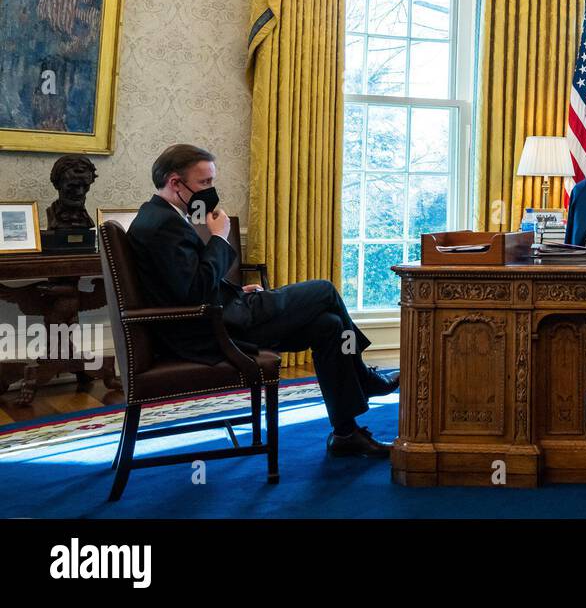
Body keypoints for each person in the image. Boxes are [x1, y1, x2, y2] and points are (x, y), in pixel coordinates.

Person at [127, 144, 398, 459]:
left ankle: (345, 433)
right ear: (176, 183)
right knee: (324, 290)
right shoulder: (162, 226)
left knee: (329, 325)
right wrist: (219, 237)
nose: (211, 192)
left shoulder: (159, 217)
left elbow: (184, 284)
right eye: (205, 184)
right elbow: (195, 292)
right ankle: (363, 377)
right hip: (212, 333)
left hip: (217, 317)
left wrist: (237, 291)